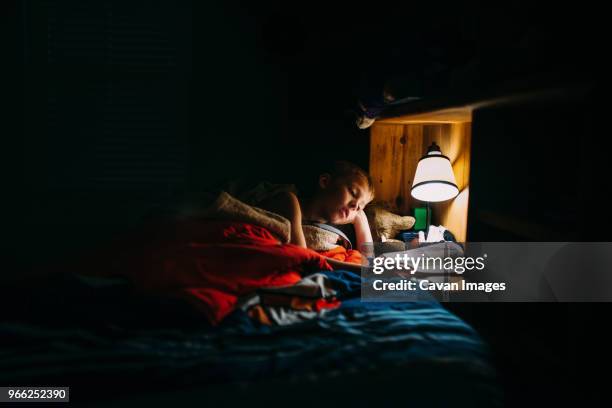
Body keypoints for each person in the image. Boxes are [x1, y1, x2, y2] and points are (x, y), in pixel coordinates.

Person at [254, 161, 375, 270]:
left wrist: (361, 219)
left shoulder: (340, 234)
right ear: (325, 182)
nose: (355, 206)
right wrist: (360, 271)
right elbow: (304, 258)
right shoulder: (288, 201)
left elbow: (369, 261)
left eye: (360, 206)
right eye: (353, 193)